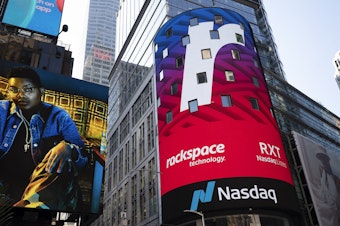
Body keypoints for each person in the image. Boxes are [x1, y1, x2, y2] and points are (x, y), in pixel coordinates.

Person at [0, 67, 87, 211]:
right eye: (14, 90)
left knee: (61, 159)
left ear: (41, 92)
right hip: (5, 180)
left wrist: (68, 148)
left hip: (43, 180)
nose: (20, 95)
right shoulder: (2, 110)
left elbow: (83, 157)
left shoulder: (59, 116)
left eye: (28, 89)